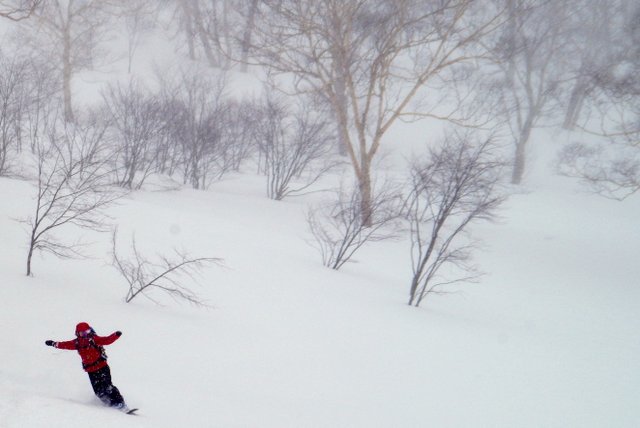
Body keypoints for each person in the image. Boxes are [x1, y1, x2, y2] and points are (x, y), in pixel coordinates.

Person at [45, 322, 130, 412]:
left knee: (107, 386)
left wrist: (115, 335)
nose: (86, 335)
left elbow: (106, 340)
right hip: (91, 371)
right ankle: (109, 403)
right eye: (83, 333)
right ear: (78, 334)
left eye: (87, 332)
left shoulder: (94, 339)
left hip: (102, 367)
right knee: (98, 392)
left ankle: (120, 404)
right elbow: (65, 345)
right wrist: (53, 343)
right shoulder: (77, 343)